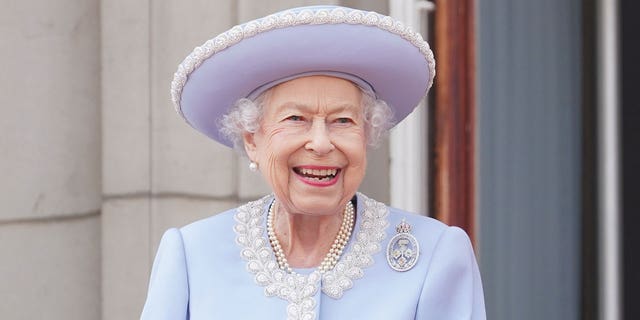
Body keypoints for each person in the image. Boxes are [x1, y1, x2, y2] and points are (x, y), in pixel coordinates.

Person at [141, 5, 485, 320]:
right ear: (252, 139)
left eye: (342, 121)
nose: (321, 143)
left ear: (366, 136)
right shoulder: (192, 254)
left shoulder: (433, 256)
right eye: (295, 119)